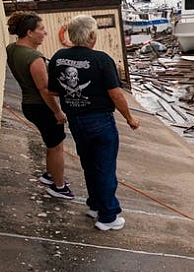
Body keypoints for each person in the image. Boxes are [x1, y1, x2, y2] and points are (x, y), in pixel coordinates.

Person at [48, 14, 140, 231]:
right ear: (91, 35)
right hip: (99, 121)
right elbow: (116, 94)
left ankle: (95, 205)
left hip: (76, 120)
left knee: (89, 165)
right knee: (105, 168)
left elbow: (52, 89)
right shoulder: (101, 59)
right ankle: (108, 216)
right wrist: (130, 118)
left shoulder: (58, 57)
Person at [5, 11, 75, 200]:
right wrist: (58, 112)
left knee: (51, 143)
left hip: (28, 104)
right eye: (41, 29)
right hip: (41, 106)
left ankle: (50, 175)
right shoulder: (34, 58)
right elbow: (44, 90)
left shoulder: (11, 49)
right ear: (29, 32)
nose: (45, 33)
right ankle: (59, 187)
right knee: (57, 146)